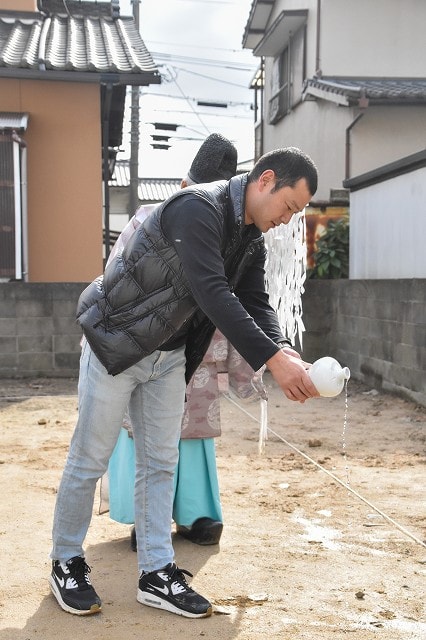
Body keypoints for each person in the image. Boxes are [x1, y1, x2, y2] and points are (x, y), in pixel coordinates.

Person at [49, 146, 320, 620]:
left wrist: (284, 349)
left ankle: (156, 571)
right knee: (89, 455)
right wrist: (273, 361)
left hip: (169, 356)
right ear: (265, 180)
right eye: (289, 207)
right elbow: (211, 291)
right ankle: (66, 560)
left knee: (160, 463)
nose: (288, 219)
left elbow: (255, 301)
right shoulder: (198, 208)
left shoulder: (250, 236)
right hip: (117, 345)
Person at [104, 134, 263, 548]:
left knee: (191, 433)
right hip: (146, 345)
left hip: (200, 350)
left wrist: (256, 358)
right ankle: (152, 518)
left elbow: (239, 301)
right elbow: (116, 282)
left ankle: (195, 516)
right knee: (144, 430)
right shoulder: (147, 219)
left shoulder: (234, 234)